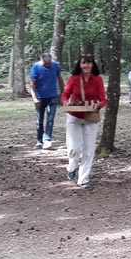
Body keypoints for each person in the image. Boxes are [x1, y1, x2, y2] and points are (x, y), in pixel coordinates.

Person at [60, 55, 107, 188]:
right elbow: (65, 94)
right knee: (73, 148)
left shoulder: (97, 79)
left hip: (91, 117)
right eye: (83, 63)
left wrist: (98, 106)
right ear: (79, 65)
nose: (86, 66)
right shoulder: (73, 79)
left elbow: (103, 99)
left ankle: (83, 178)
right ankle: (71, 166)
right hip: (74, 116)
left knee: (88, 149)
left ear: (92, 65)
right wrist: (65, 102)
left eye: (89, 63)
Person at [29, 53, 65, 149]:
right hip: (40, 97)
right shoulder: (36, 67)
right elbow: (32, 84)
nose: (48, 65)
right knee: (39, 119)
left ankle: (47, 139)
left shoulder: (55, 65)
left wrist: (63, 91)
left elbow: (60, 78)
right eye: (46, 64)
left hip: (52, 96)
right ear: (42, 61)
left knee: (50, 119)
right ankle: (39, 140)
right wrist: (34, 98)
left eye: (49, 63)